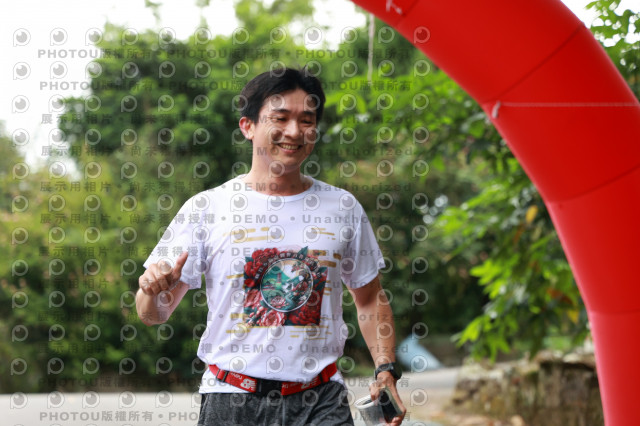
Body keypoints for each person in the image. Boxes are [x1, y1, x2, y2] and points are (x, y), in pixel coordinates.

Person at [136, 67, 407, 426]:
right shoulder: (207, 208)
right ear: (247, 126)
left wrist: (386, 370)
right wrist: (151, 291)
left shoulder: (342, 207)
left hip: (320, 400)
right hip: (231, 400)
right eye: (280, 118)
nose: (294, 131)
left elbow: (370, 298)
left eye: (306, 120)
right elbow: (152, 315)